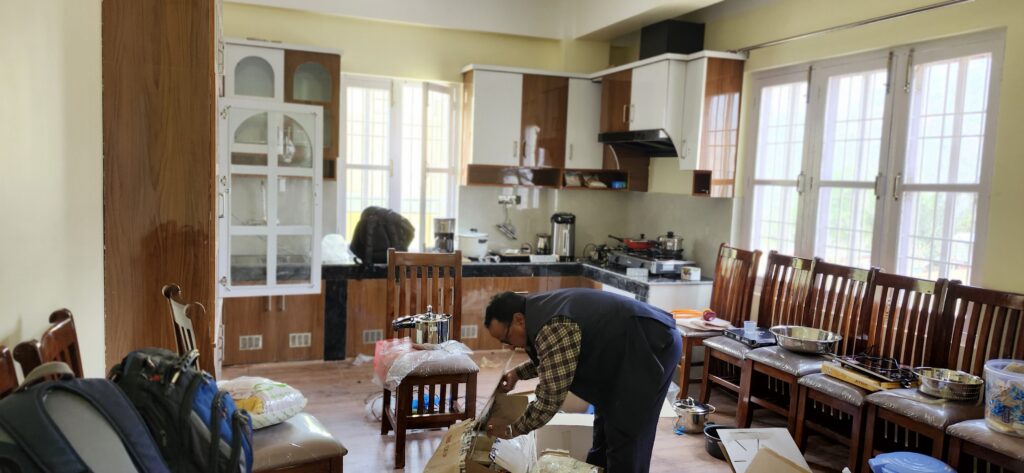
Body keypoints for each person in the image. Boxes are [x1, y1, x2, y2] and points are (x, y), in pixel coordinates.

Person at [483, 288, 682, 473]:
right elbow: (555, 359)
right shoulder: (539, 313)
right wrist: (517, 374)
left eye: (506, 339)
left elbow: (549, 401)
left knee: (626, 437)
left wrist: (511, 430)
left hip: (651, 344)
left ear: (518, 320)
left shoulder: (553, 325)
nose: (509, 347)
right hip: (627, 353)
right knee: (604, 434)